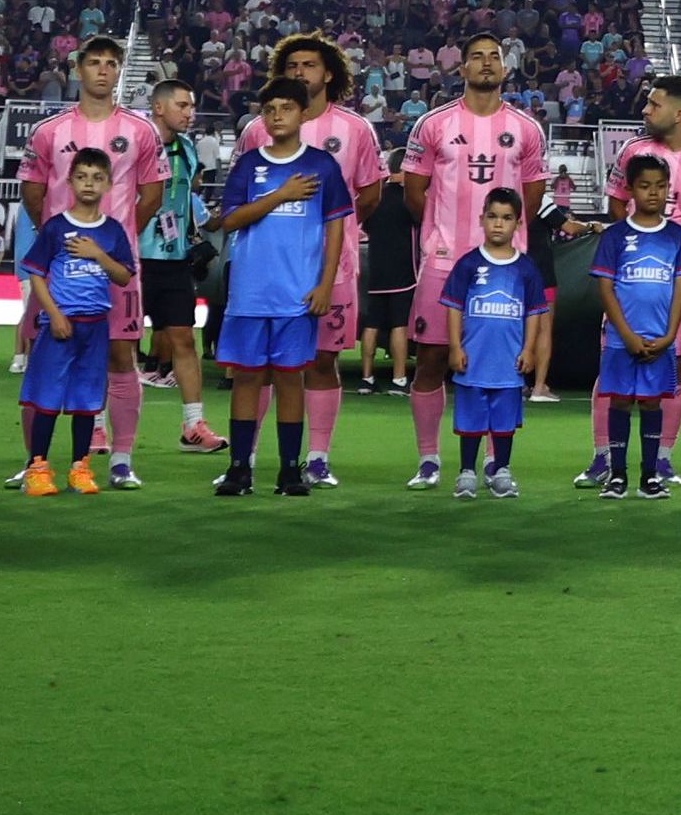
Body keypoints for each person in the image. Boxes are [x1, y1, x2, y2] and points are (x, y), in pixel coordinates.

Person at [395, 34, 558, 492]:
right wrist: (440, 237)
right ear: (461, 68)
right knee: (431, 360)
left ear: (506, 68)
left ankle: (493, 465)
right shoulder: (432, 124)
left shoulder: (526, 129)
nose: (487, 64)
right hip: (446, 264)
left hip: (505, 268)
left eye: (495, 58)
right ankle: (429, 460)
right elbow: (414, 192)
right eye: (477, 58)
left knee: (501, 366)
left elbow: (532, 195)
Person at [20, 38, 164, 487]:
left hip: (115, 271)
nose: (103, 71)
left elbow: (152, 195)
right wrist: (56, 238)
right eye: (95, 63)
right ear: (78, 69)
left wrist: (114, 242)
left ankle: (121, 460)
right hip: (58, 273)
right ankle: (34, 462)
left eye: (111, 64)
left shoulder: (141, 131)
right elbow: (33, 192)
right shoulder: (49, 131)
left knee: (122, 358)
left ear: (119, 71)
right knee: (42, 358)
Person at [592, 71, 681, 489]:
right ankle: (603, 457)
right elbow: (617, 203)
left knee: (677, 366)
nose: (645, 109)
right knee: (613, 360)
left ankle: (663, 458)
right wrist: (638, 246)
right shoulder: (634, 151)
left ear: (679, 113)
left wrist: (677, 257)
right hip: (630, 282)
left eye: (654, 104)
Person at [207, 77, 350, 499]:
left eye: (286, 108)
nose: (277, 116)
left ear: (304, 113)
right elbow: (229, 220)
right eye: (269, 110)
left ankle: (290, 469)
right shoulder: (250, 164)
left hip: (297, 294)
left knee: (291, 380)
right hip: (249, 293)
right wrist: (281, 194)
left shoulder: (323, 165)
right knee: (247, 379)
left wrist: (325, 283)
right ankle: (239, 468)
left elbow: (336, 227)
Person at [266, 33, 383, 492]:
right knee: (265, 363)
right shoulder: (261, 127)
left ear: (328, 73)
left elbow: (370, 194)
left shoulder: (354, 129)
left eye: (309, 65)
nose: (299, 73)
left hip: (333, 265)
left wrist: (339, 230)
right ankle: (250, 455)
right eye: (291, 65)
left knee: (322, 359)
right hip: (272, 267)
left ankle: (316, 457)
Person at [16, 146, 134, 495]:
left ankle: (80, 468)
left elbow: (124, 276)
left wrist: (98, 254)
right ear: (69, 181)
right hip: (60, 326)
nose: (88, 184)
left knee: (86, 399)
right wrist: (53, 315)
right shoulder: (55, 228)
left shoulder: (112, 231)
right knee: (47, 398)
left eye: (97, 178)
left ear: (109, 185)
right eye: (81, 176)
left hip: (95, 327)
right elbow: (35, 273)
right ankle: (38, 467)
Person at [593, 153, 681, 499]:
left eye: (660, 186)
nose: (653, 193)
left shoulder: (676, 237)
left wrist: (670, 335)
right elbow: (606, 288)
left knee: (653, 403)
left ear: (669, 188)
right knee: (621, 401)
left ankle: (650, 476)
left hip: (660, 339)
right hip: (621, 339)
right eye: (644, 186)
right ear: (629, 190)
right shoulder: (615, 236)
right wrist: (624, 334)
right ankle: (617, 474)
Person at [438, 186, 553, 497]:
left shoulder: (526, 268)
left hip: (509, 363)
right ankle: (466, 473)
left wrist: (528, 349)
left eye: (506, 218)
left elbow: (534, 313)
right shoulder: (468, 264)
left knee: (503, 423)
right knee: (471, 421)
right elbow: (454, 308)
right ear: (481, 219)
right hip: (473, 360)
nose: (498, 224)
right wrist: (455, 347)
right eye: (492, 217)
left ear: (518, 223)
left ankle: (501, 470)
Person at [139, 78, 220, 455]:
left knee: (184, 341)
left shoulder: (187, 149)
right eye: (183, 106)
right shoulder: (135, 143)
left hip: (173, 260)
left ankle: (193, 425)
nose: (190, 113)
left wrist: (192, 238)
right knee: (116, 345)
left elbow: (183, 198)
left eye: (191, 106)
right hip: (133, 258)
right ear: (159, 108)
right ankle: (95, 427)